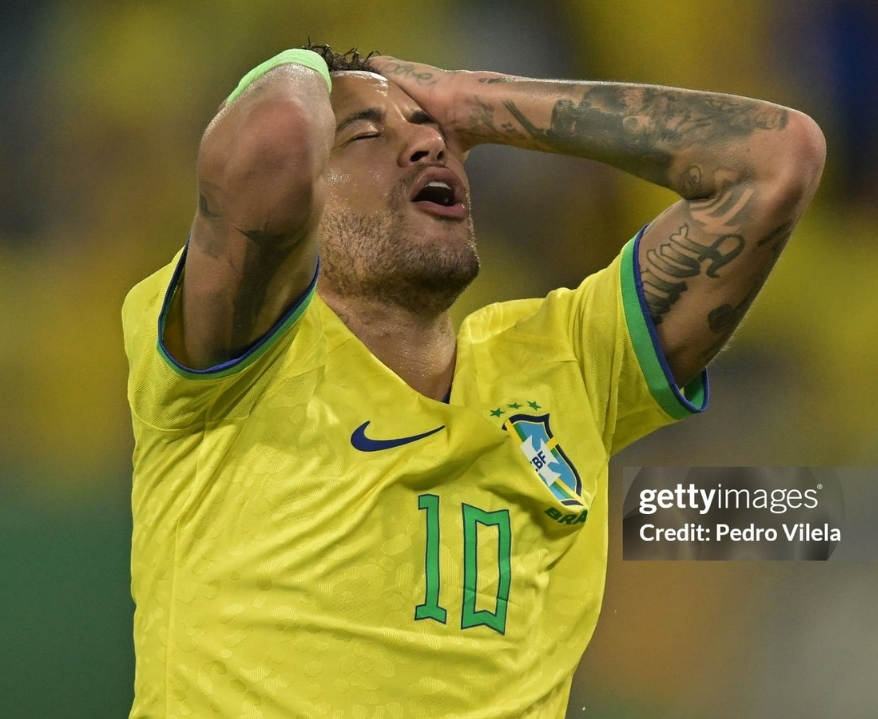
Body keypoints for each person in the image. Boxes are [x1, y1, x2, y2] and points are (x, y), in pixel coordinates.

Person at [121, 42, 825, 718]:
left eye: (437, 136)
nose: (430, 147)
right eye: (364, 137)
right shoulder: (231, 363)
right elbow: (270, 141)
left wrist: (473, 99)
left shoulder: (571, 360)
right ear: (307, 192)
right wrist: (301, 62)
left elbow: (773, 159)